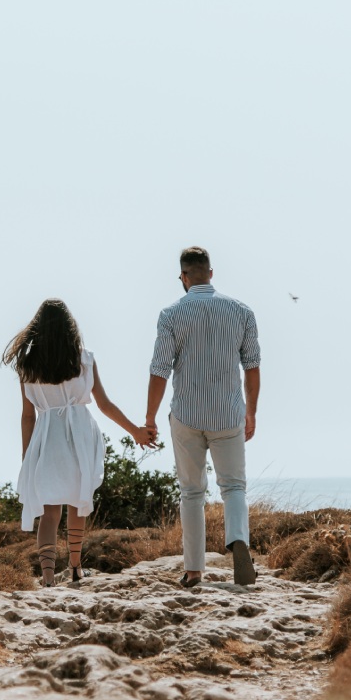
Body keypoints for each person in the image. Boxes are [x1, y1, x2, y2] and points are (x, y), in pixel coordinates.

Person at [5, 299, 155, 586]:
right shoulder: (83, 358)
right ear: (69, 328)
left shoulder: (27, 364)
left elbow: (27, 416)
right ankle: (75, 567)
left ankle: (48, 577)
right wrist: (134, 430)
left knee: (49, 512)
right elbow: (105, 404)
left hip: (46, 439)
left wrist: (27, 458)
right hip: (80, 436)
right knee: (78, 503)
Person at [144, 246, 260, 588]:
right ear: (210, 273)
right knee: (234, 486)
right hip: (228, 414)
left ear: (183, 277)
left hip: (187, 415)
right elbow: (251, 367)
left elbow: (159, 371)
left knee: (191, 492)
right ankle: (239, 540)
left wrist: (150, 418)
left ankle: (194, 571)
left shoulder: (170, 315)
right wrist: (250, 412)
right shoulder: (241, 311)